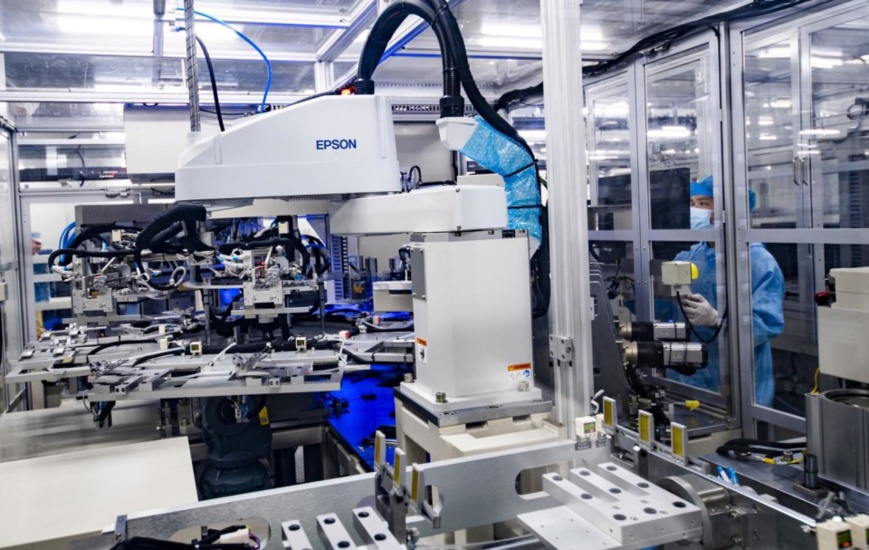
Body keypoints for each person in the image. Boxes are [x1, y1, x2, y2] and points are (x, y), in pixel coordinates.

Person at [664, 176, 785, 408]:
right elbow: (666, 306)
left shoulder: (757, 261)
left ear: (728, 211)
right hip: (688, 380)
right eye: (691, 203)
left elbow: (768, 323)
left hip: (739, 384)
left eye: (703, 204)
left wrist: (716, 320)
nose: (694, 211)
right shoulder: (688, 256)